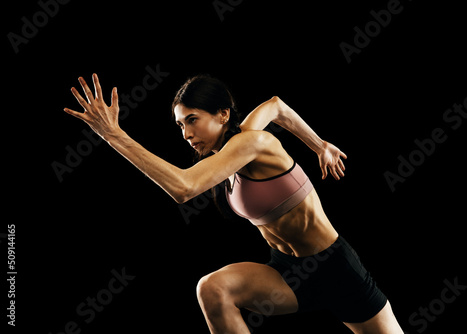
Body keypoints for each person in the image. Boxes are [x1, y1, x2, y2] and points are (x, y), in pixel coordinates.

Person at [64, 73, 404, 334]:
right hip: (287, 272)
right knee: (213, 288)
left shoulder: (251, 141)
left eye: (193, 119)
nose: (185, 133)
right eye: (180, 124)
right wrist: (319, 146)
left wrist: (114, 135)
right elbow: (276, 106)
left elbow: (184, 188)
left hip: (334, 268)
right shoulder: (226, 156)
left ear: (223, 113)